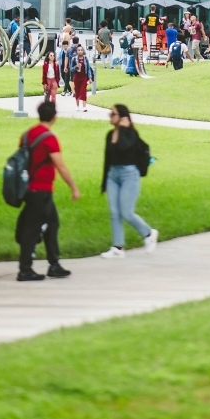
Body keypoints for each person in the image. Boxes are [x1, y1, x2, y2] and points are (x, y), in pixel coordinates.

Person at [16, 99, 79, 281]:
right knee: (32, 229)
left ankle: (54, 264)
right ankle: (25, 269)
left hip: (28, 188)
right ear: (54, 117)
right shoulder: (49, 138)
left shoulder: (27, 135)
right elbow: (60, 166)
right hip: (41, 190)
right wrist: (73, 187)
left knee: (52, 224)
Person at [100, 104, 158, 258]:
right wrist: (104, 181)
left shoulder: (131, 134)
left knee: (126, 212)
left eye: (113, 114)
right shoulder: (109, 134)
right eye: (110, 114)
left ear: (122, 117)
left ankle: (149, 233)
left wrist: (124, 129)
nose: (110, 116)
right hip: (113, 175)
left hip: (129, 175)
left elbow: (125, 148)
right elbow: (108, 159)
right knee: (114, 212)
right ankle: (117, 247)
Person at [70, 38, 92, 112]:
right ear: (77, 51)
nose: (80, 51)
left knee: (83, 91)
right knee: (77, 91)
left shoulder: (85, 59)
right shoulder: (74, 59)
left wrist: (90, 77)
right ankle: (77, 105)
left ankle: (84, 106)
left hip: (84, 77)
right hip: (77, 77)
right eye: (78, 50)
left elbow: (88, 68)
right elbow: (71, 69)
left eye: (81, 50)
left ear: (83, 51)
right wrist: (76, 66)